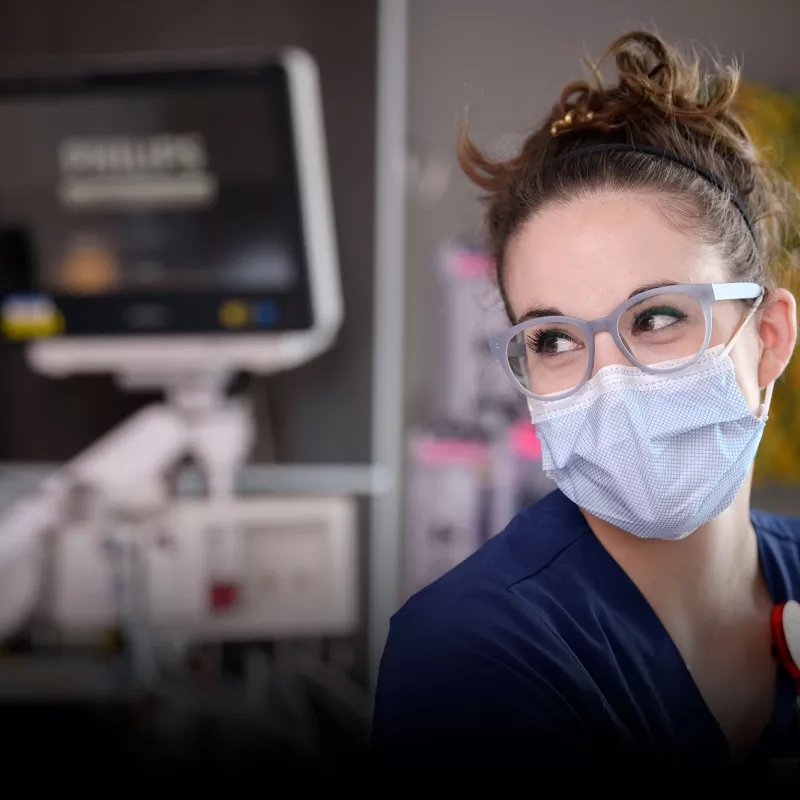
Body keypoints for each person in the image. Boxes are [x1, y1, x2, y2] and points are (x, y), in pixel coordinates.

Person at [372, 31, 800, 782]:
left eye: (658, 318)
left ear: (767, 338)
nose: (609, 382)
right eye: (554, 340)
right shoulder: (468, 655)